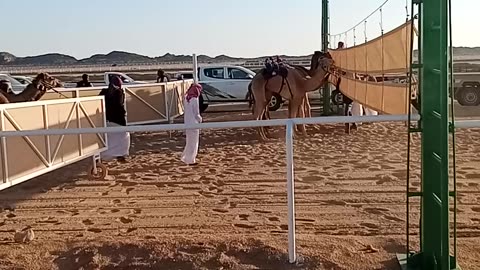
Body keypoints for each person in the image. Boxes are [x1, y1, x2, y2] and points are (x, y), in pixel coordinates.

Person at [99, 76, 130, 163]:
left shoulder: (104, 92)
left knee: (108, 138)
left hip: (105, 118)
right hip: (117, 119)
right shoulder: (119, 92)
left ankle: (104, 156)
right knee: (124, 137)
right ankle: (120, 155)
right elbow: (119, 105)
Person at [181, 83, 203, 165]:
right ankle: (191, 159)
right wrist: (200, 120)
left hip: (187, 122)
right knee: (194, 142)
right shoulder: (194, 99)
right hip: (194, 123)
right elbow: (196, 114)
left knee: (189, 140)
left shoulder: (186, 98)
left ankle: (186, 157)